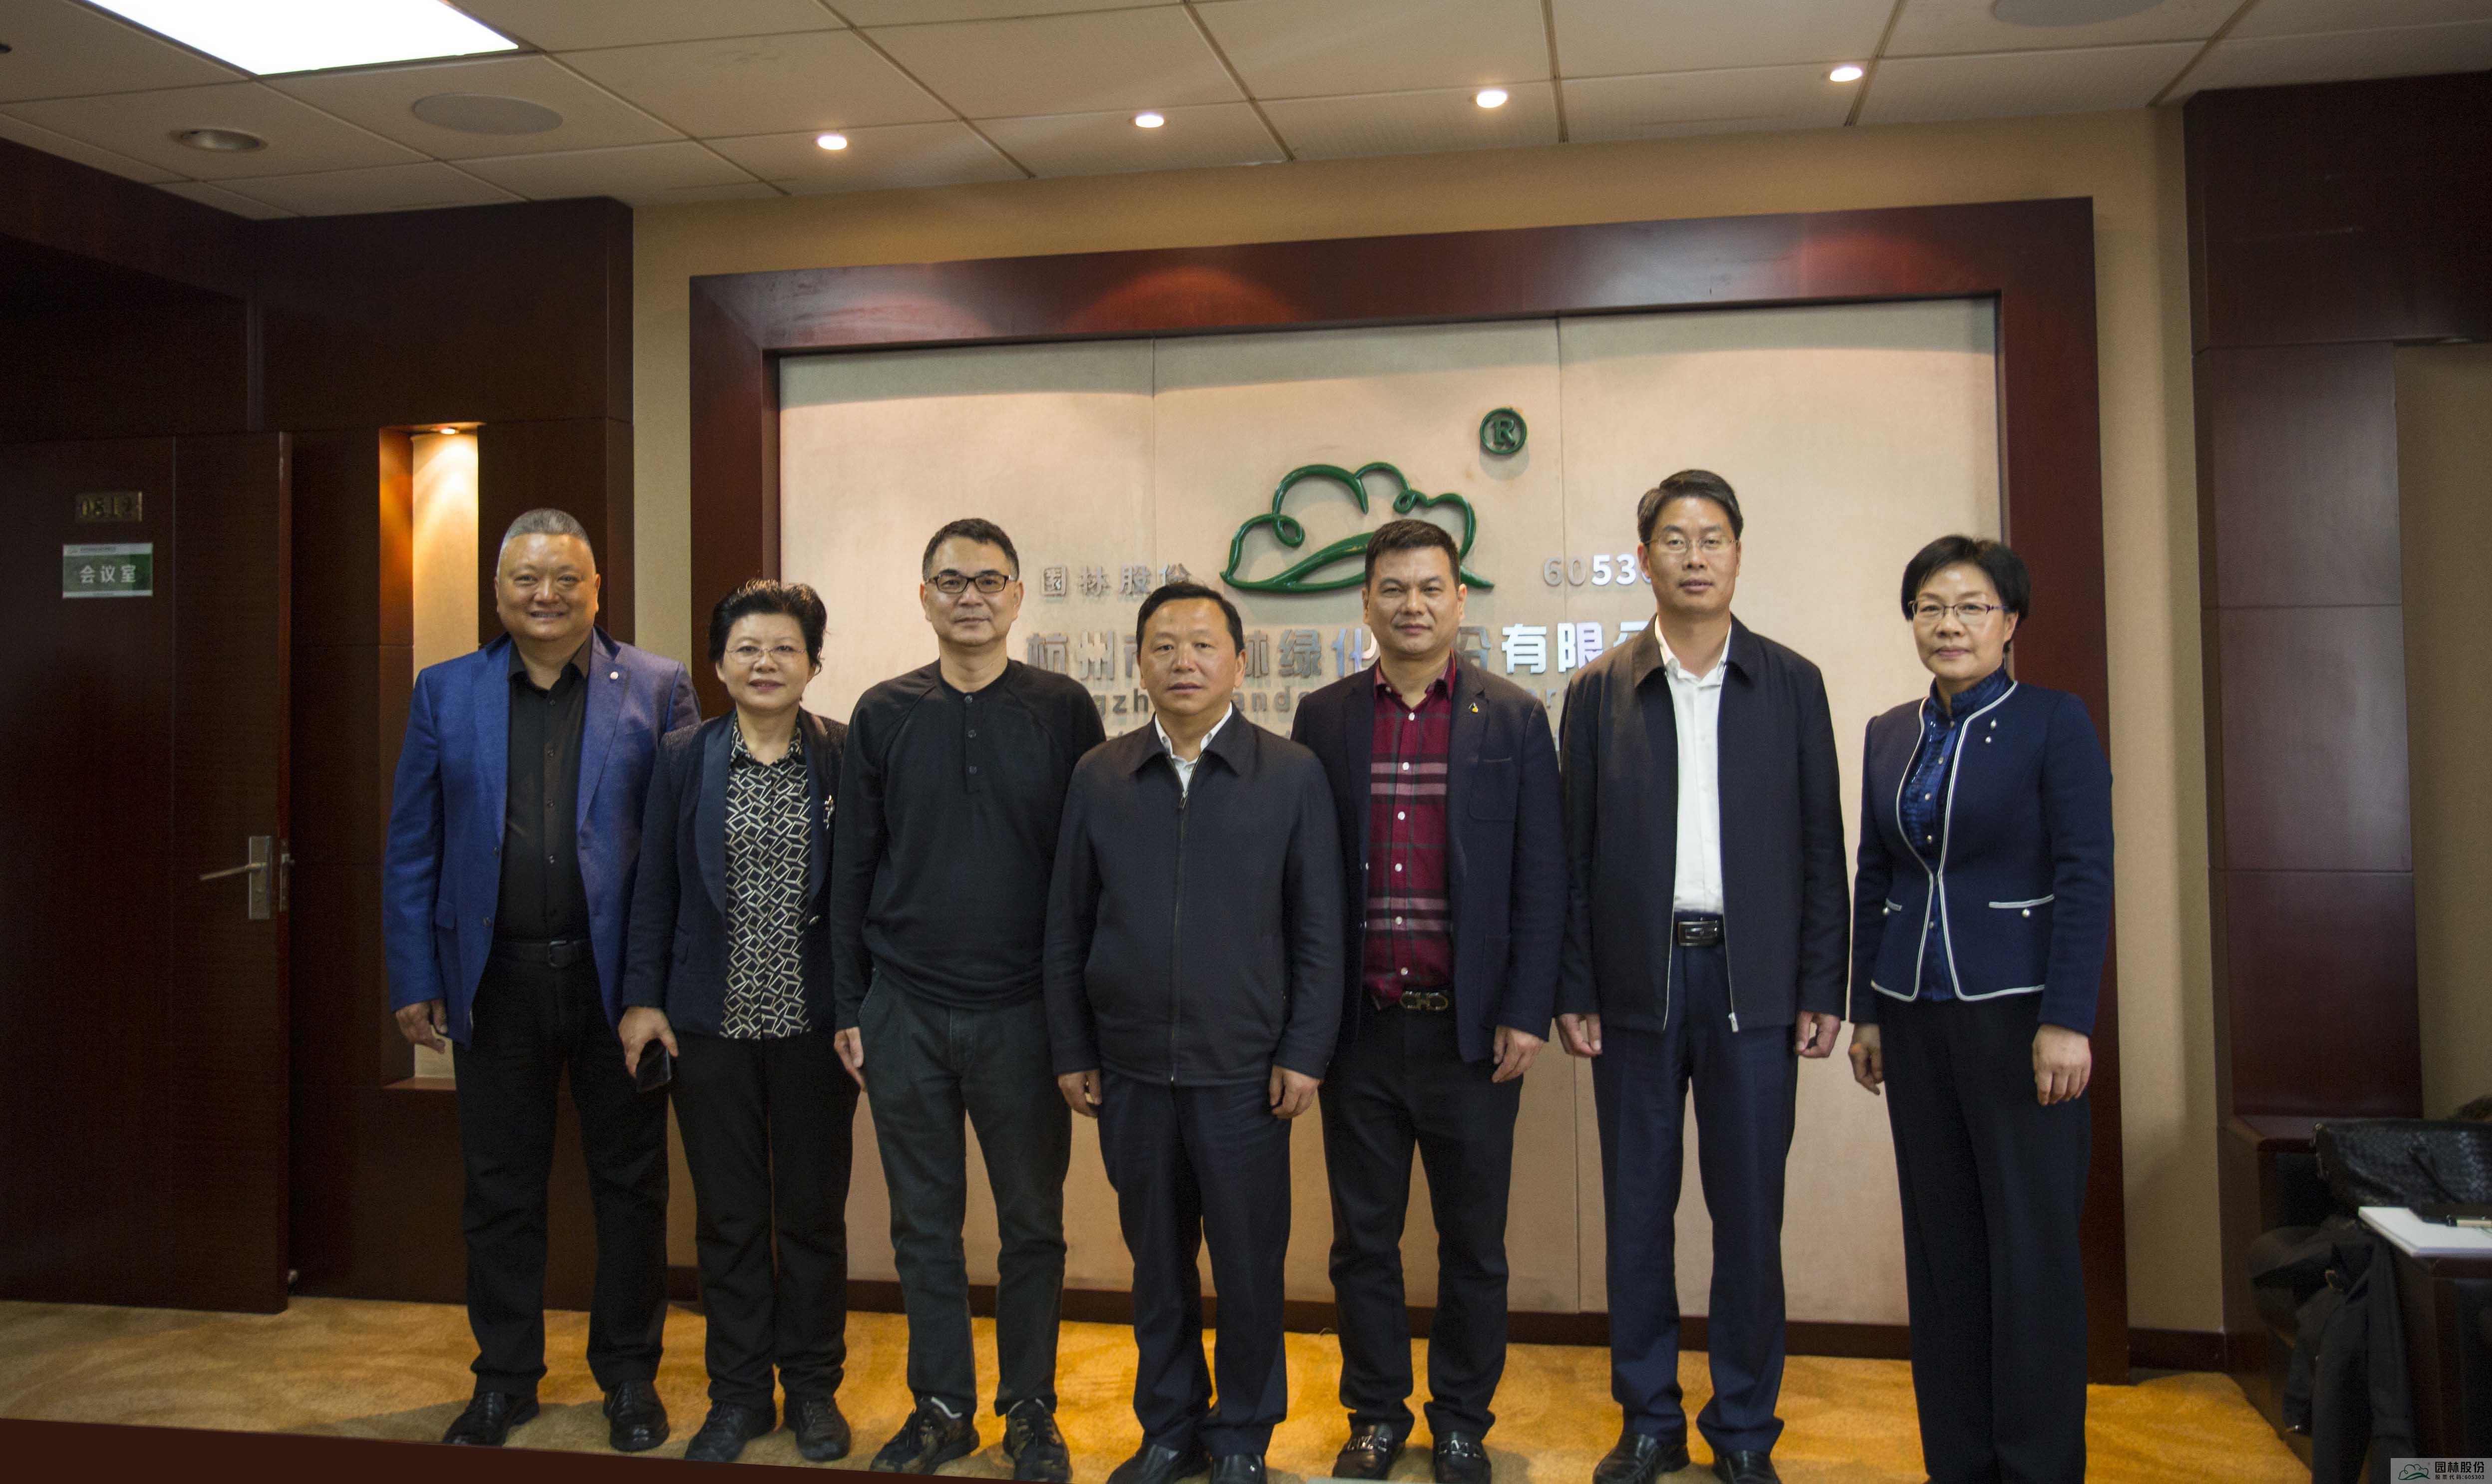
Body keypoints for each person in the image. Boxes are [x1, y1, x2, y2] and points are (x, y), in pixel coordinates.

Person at [382, 508, 698, 1451]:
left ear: (598, 589)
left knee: (631, 1187)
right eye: (526, 579)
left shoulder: (658, 685)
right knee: (499, 1188)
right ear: (499, 592)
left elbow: (682, 853)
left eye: (566, 578)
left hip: (620, 989)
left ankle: (629, 1377)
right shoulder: (446, 691)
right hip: (494, 981)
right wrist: (414, 972)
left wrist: (658, 987)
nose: (546, 594)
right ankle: (505, 1377)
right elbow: (413, 845)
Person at [1556, 471, 1846, 1484]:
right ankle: (1648, 1418)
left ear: (1737, 553)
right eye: (1674, 539)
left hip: (1754, 984)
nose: (1694, 555)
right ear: (1643, 559)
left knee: (1749, 1218)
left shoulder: (1791, 682)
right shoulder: (1599, 690)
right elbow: (1571, 857)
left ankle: (1745, 1427)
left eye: (1712, 537)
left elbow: (1823, 844)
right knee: (1637, 1214)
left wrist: (1822, 983)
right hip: (1636, 986)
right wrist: (1575, 984)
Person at [1044, 582, 1344, 1484]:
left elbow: (1319, 929)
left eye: (1204, 645)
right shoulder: (1101, 775)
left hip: (1245, 1074)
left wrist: (1305, 1051)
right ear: (1139, 662)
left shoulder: (1289, 774)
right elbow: (1066, 924)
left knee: (1250, 1267)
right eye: (1165, 645)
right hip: (1132, 1070)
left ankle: (1243, 1434)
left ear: (1239, 662)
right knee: (1158, 1267)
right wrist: (1073, 1047)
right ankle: (1170, 1427)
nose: (1184, 661)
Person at [1290, 520, 1564, 1484]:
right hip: (1360, 1031)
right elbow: (1304, 880)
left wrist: (1527, 1008)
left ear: (1459, 599)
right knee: (1362, 1241)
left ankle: (1460, 1420)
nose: (1413, 605)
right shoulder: (1324, 717)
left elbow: (1543, 877)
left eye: (1431, 587)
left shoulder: (1513, 717)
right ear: (1366, 601)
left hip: (1471, 1032)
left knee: (1472, 1244)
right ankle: (1375, 1415)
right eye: (1394, 589)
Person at [829, 519, 1100, 1481]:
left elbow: (1088, 872)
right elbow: (853, 864)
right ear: (924, 597)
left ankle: (1030, 1408)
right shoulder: (883, 711)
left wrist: (1078, 1019)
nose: (970, 597)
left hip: (1026, 1013)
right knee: (922, 1227)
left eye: (989, 580)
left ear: (1018, 596)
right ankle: (941, 1407)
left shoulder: (1063, 709)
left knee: (1033, 1226)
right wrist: (850, 1002)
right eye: (951, 581)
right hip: (903, 1008)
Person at [1844, 536, 2112, 1484]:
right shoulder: (1889, 732)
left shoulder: (2052, 721)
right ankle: (1957, 1462)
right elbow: (1875, 875)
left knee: (2031, 1257)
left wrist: (2068, 1017)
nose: (1948, 624)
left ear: (2010, 622)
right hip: (1914, 1018)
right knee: (1944, 1253)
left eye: (1971, 606)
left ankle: (2036, 1466)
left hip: (2022, 1023)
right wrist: (1866, 1010)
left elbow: (2086, 873)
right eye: (1930, 606)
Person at [617, 581, 856, 1464]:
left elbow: (862, 893)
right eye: (747, 648)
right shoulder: (684, 756)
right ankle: (740, 1394)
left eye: (785, 648)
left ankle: (815, 1391)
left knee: (812, 1217)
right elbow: (655, 885)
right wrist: (643, 998)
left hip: (814, 1028)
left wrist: (860, 1008)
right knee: (727, 1220)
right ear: (719, 664)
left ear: (813, 663)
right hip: (709, 1026)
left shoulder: (844, 755)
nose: (765, 663)